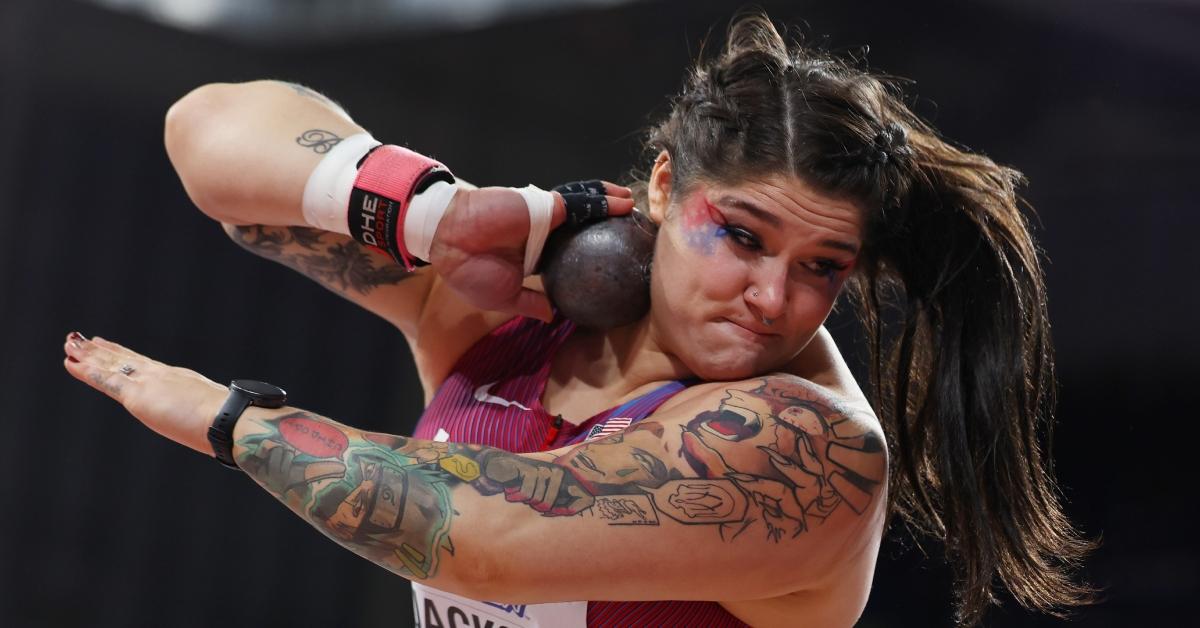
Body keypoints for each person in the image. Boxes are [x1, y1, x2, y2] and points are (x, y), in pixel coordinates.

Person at [62, 13, 1092, 627]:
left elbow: (480, 533)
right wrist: (434, 211)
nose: (774, 298)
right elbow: (209, 135)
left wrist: (230, 422)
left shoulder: (806, 444)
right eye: (741, 235)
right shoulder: (525, 313)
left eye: (821, 266)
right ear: (658, 188)